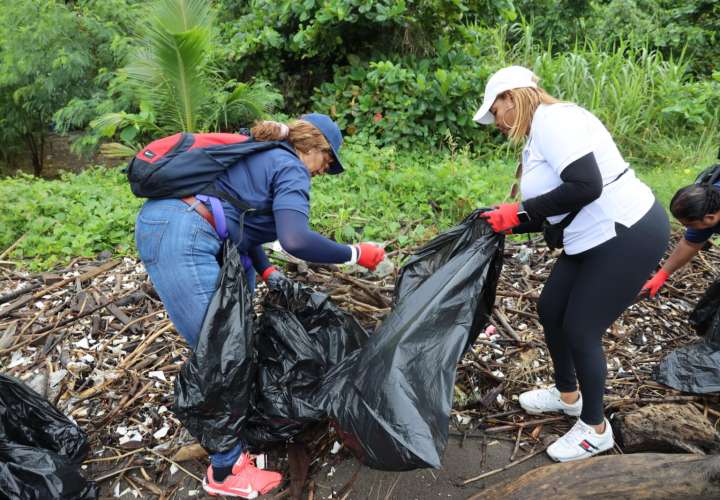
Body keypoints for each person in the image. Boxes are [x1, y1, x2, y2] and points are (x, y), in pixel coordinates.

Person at [134, 113, 385, 498]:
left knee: (231, 343)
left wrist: (267, 273)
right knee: (221, 352)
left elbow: (240, 218)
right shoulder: (290, 166)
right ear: (314, 148)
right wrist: (354, 253)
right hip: (183, 234)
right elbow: (296, 239)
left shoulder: (263, 155)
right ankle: (225, 471)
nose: (323, 171)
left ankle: (231, 429)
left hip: (183, 226)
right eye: (327, 162)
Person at [474, 66, 670, 462]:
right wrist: (504, 221)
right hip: (592, 235)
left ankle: (595, 428)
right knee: (551, 309)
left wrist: (519, 212)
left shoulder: (555, 120)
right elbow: (558, 201)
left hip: (626, 230)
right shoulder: (540, 132)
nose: (496, 122)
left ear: (512, 97)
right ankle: (568, 395)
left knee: (582, 327)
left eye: (495, 111)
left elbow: (586, 186)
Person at [642, 181, 720, 297]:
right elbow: (690, 244)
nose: (686, 228)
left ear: (710, 218)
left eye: (689, 225)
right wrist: (662, 275)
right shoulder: (706, 205)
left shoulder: (706, 215)